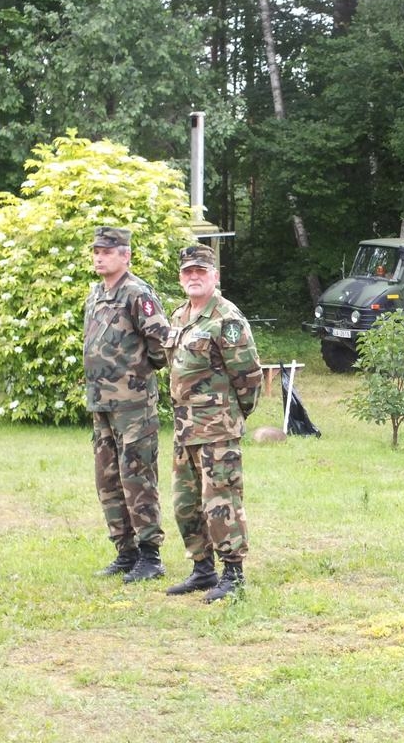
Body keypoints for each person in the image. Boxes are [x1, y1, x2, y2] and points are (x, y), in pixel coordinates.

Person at [164, 245, 262, 603]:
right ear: (181, 278)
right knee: (185, 503)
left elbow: (248, 376)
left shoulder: (227, 320)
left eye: (201, 272)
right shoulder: (179, 317)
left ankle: (232, 573)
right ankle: (202, 569)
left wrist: (234, 416)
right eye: (188, 272)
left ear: (214, 277)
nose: (194, 277)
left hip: (217, 429)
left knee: (220, 502)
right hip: (185, 428)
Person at [83, 225, 169, 583]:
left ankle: (150, 556)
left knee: (137, 477)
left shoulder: (137, 294)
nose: (100, 255)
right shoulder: (96, 295)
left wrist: (138, 375)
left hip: (133, 405)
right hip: (102, 404)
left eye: (107, 250)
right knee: (108, 479)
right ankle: (125, 550)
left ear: (125, 255)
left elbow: (161, 345)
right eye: (97, 250)